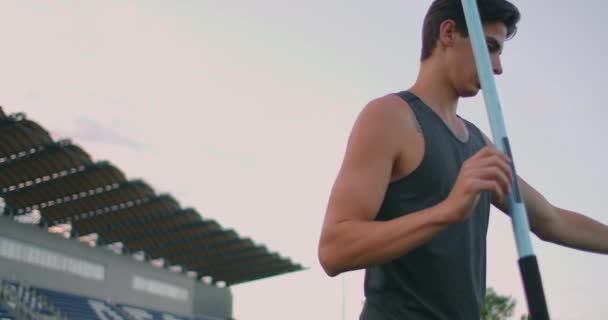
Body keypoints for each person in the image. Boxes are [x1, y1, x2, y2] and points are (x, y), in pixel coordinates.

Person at [317, 0, 608, 319]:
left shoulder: (479, 145)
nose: (497, 66)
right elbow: (334, 249)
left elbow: (551, 220)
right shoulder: (391, 117)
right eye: (490, 47)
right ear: (449, 32)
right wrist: (447, 211)